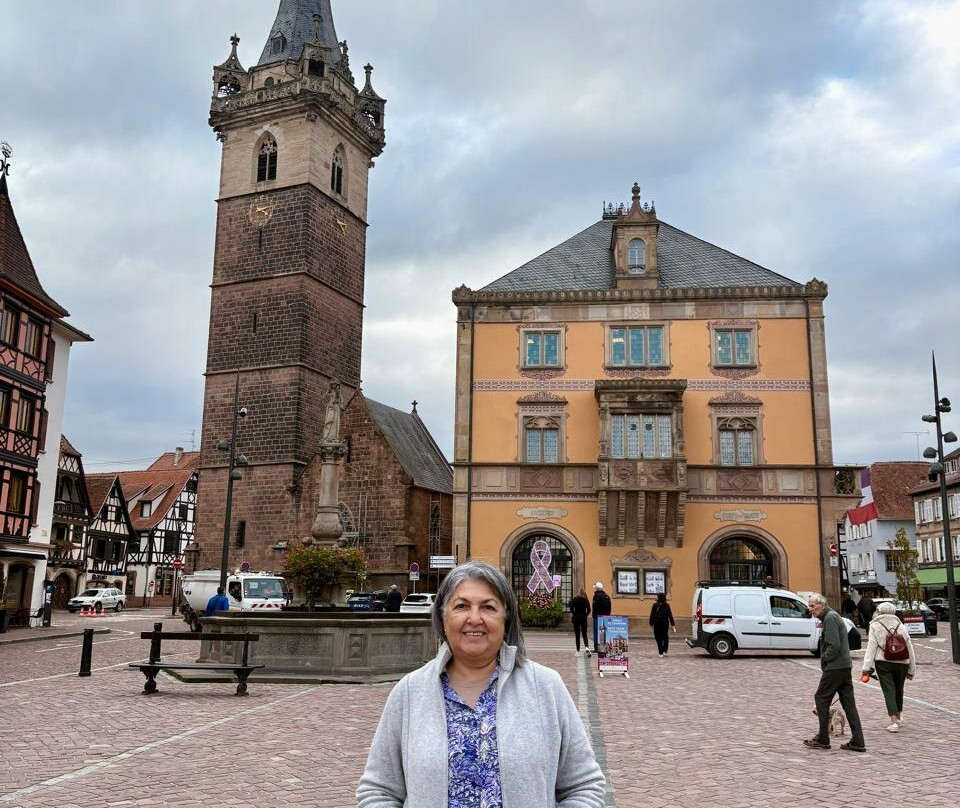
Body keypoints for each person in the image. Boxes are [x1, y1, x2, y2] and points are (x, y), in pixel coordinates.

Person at [357, 561, 605, 808]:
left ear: (506, 620)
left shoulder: (545, 687)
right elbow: (378, 790)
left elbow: (584, 785)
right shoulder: (410, 692)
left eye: (488, 607)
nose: (474, 618)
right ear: (443, 618)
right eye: (462, 606)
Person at [804, 592, 866, 752]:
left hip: (835, 666)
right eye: (809, 606)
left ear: (822, 605)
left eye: (812, 606)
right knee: (849, 704)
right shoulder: (831, 616)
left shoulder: (830, 618)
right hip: (844, 666)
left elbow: (834, 646)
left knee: (821, 698)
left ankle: (823, 738)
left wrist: (824, 659)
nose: (810, 609)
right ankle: (858, 741)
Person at [861, 600, 916, 732]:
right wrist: (912, 669)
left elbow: (871, 648)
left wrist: (866, 668)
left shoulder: (875, 625)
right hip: (902, 662)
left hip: (883, 663)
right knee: (899, 690)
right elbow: (910, 648)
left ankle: (893, 722)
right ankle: (899, 716)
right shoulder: (901, 626)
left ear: (880, 612)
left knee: (889, 691)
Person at [648, 593, 676, 657]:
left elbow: (652, 614)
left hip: (657, 623)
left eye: (657, 597)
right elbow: (670, 615)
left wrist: (651, 623)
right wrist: (673, 624)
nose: (656, 598)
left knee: (658, 638)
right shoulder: (667, 605)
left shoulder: (655, 605)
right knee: (665, 637)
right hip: (665, 623)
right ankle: (665, 651)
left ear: (659, 598)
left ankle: (660, 653)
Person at [569, 588, 591, 655]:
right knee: (584, 634)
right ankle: (587, 647)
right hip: (583, 618)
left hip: (576, 618)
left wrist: (574, 613)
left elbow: (571, 608)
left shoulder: (575, 599)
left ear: (578, 592)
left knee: (577, 635)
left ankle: (578, 651)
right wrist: (585, 615)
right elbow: (589, 609)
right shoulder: (586, 600)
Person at [591, 582, 611, 653]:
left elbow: (594, 607)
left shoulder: (596, 596)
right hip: (605, 617)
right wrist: (607, 615)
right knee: (603, 632)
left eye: (595, 587)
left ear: (597, 588)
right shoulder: (607, 596)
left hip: (597, 616)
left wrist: (594, 615)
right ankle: (603, 647)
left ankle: (596, 648)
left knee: (596, 632)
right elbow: (609, 608)